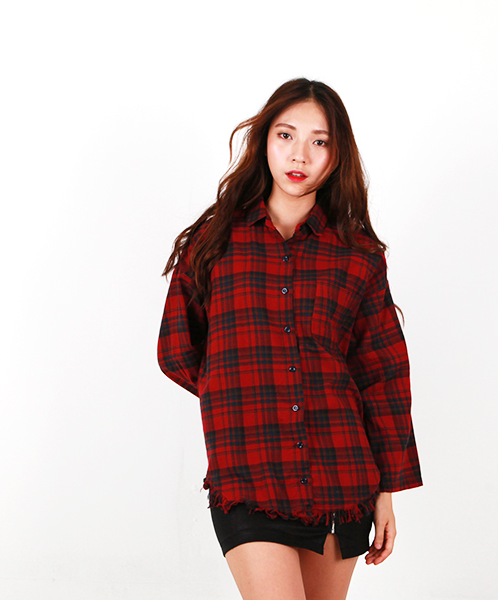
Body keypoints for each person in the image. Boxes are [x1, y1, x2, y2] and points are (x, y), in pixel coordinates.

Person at [157, 77, 422, 600]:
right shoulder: (214, 242)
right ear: (264, 142)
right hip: (248, 476)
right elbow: (177, 349)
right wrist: (240, 392)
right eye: (286, 135)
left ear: (337, 155)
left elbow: (383, 376)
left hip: (340, 478)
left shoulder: (358, 257)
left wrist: (386, 492)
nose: (300, 154)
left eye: (319, 141)